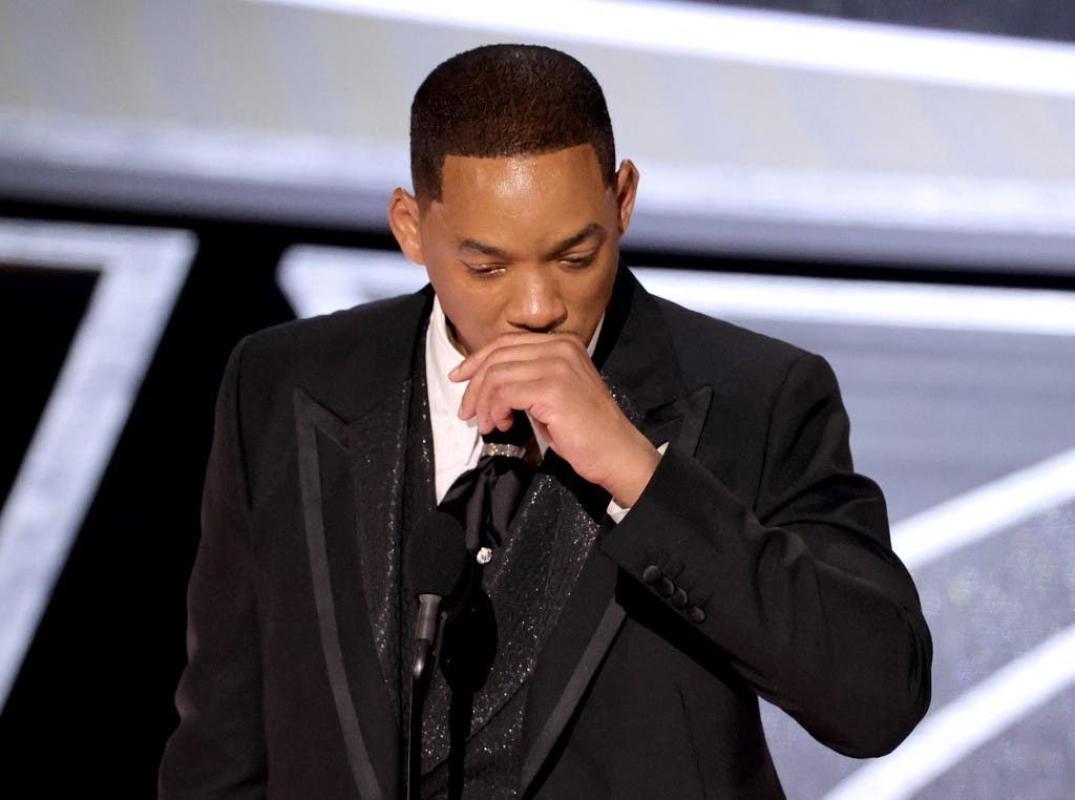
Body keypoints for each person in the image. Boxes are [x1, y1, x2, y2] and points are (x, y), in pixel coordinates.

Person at [159, 44, 932, 799]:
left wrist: (640, 474)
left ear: (622, 200)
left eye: (574, 258)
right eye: (486, 267)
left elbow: (876, 700)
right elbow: (223, 743)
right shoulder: (283, 382)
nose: (535, 308)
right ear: (409, 227)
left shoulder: (757, 396)